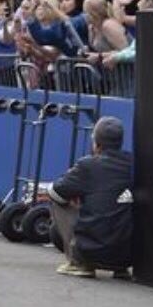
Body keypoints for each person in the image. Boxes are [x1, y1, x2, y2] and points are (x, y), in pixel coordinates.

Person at [47, 116, 133, 279]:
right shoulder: (133, 163)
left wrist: (75, 197)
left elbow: (55, 192)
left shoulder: (87, 165)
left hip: (92, 250)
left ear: (97, 143)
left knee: (58, 201)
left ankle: (78, 262)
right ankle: (121, 269)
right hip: (128, 255)